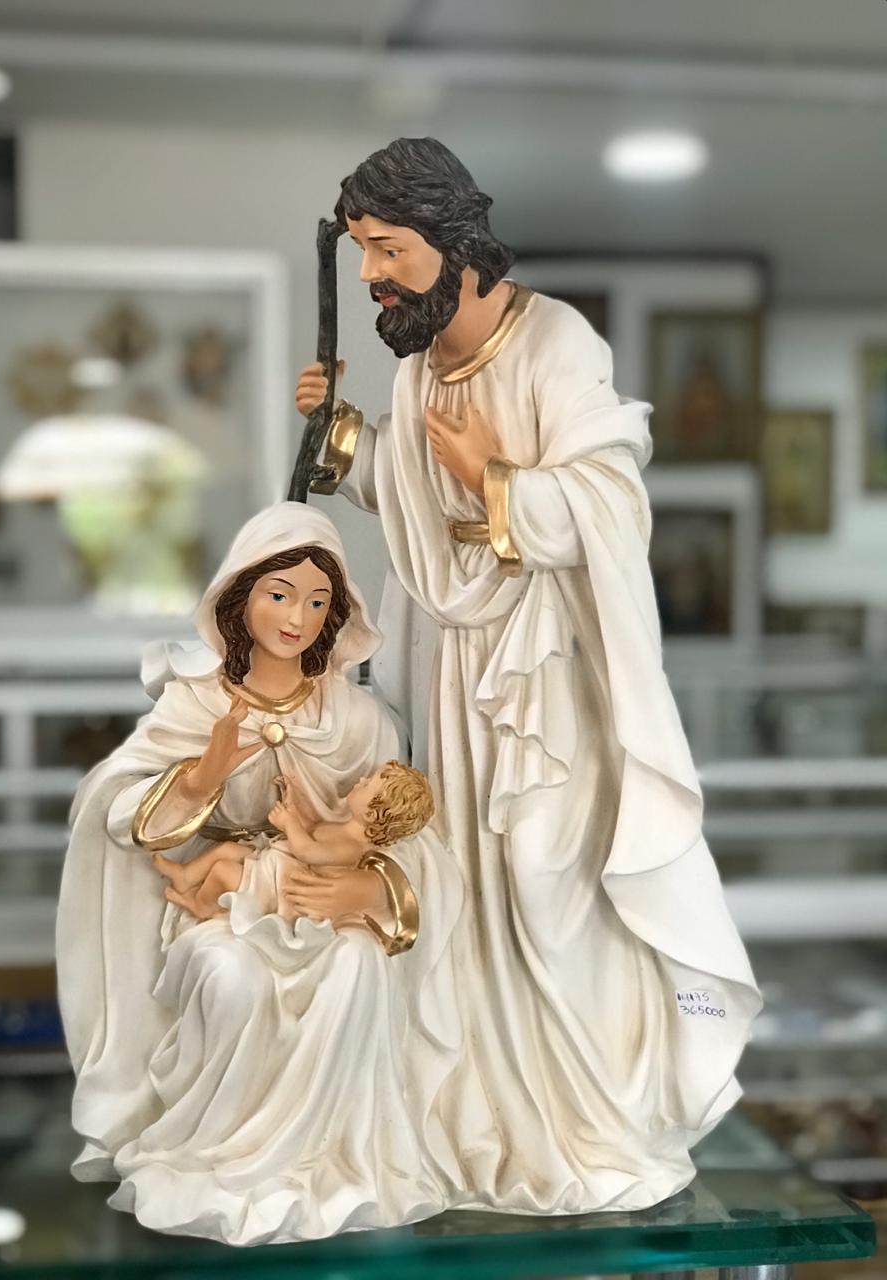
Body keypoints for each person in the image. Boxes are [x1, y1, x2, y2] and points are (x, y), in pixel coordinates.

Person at [295, 137, 762, 1214]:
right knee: (463, 886)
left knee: (549, 884)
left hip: (543, 673)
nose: (371, 274)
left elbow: (613, 504)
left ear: (452, 242)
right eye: (362, 250)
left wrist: (496, 478)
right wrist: (345, 437)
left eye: (389, 249)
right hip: (446, 662)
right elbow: (414, 497)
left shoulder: (558, 343)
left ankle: (593, 1118)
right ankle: (486, 1115)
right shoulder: (418, 363)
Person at [56, 503, 463, 1245]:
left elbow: (410, 833)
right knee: (233, 978)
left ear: (336, 614)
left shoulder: (357, 720)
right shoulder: (195, 700)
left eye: (317, 602)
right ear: (240, 596)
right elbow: (116, 809)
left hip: (319, 911)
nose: (297, 618)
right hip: (226, 907)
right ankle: (221, 1159)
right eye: (280, 594)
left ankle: (329, 1162)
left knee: (358, 966)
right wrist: (199, 777)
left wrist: (370, 887)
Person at [151, 761, 435, 924]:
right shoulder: (346, 830)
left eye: (367, 784)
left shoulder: (353, 847)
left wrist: (288, 823)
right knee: (228, 849)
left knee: (223, 871)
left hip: (279, 887)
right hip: (274, 865)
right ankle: (185, 876)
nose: (361, 779)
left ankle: (203, 905)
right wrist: (294, 802)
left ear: (372, 814)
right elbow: (312, 830)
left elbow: (308, 850)